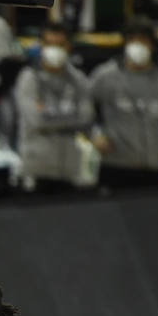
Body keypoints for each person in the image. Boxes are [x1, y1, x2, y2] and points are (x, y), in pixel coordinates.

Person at [89, 18, 158, 190]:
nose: (138, 45)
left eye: (143, 40)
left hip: (152, 165)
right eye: (132, 40)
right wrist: (95, 134)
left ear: (152, 45)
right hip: (115, 164)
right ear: (124, 43)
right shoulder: (105, 75)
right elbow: (84, 107)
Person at [13, 21, 94, 193]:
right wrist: (71, 116)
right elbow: (37, 120)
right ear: (41, 46)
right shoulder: (29, 78)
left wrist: (49, 114)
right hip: (36, 171)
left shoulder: (78, 80)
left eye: (60, 44)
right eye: (49, 44)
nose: (54, 49)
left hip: (69, 171)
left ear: (68, 47)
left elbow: (86, 117)